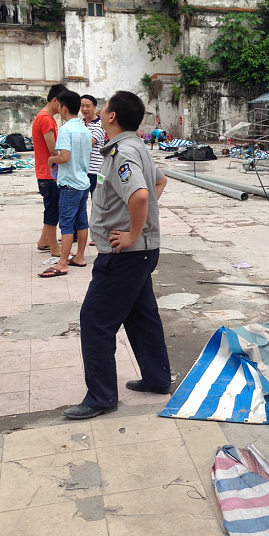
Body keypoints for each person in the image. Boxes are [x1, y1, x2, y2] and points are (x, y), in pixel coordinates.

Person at [63, 90, 170, 420]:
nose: (99, 109)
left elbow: (139, 195)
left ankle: (101, 397)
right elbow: (159, 182)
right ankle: (157, 379)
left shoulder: (123, 151)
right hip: (140, 252)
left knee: (95, 320)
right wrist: (143, 225)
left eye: (103, 106)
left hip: (125, 254)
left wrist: (133, 231)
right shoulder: (136, 146)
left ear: (111, 117)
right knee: (141, 316)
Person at [39, 90, 91, 278]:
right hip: (83, 183)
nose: (58, 110)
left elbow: (64, 157)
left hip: (69, 184)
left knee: (67, 225)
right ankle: (79, 257)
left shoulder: (66, 130)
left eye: (59, 106)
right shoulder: (85, 130)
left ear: (64, 107)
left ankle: (62, 263)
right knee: (82, 221)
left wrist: (52, 160)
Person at [32, 83, 67, 255]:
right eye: (62, 104)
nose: (63, 108)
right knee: (53, 209)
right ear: (55, 100)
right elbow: (53, 150)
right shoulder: (45, 119)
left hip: (47, 172)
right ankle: (54, 246)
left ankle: (44, 240)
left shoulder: (46, 117)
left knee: (51, 207)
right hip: (49, 174)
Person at [80, 94, 105, 195]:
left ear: (94, 107)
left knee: (98, 200)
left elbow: (89, 143)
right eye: (82, 106)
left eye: (88, 106)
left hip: (96, 170)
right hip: (82, 170)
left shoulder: (101, 124)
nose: (84, 109)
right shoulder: (80, 124)